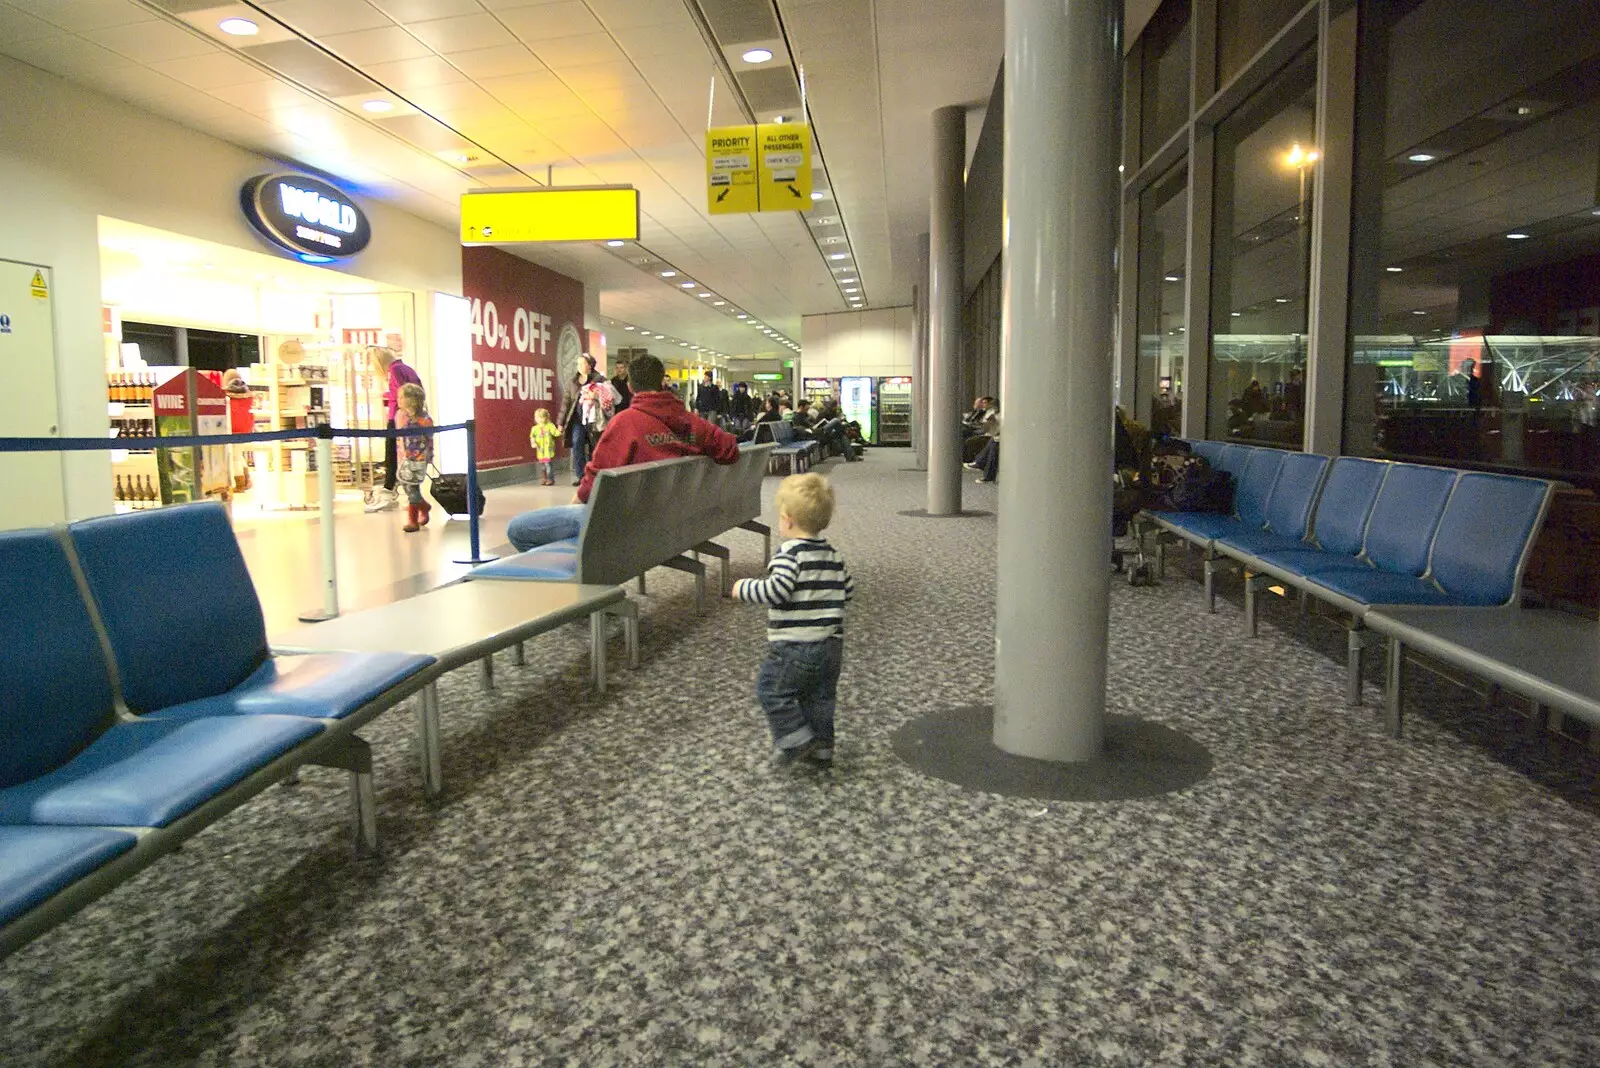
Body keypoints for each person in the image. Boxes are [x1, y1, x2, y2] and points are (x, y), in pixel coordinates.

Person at [505, 355, 741, 551]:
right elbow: (729, 449)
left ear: (629, 386)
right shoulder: (689, 420)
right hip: (674, 515)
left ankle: (584, 570)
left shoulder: (625, 423)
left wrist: (573, 505)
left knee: (519, 528)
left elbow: (594, 479)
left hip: (628, 521)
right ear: (663, 382)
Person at [732, 473, 853, 768]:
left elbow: (778, 590)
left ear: (787, 520)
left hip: (796, 647)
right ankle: (823, 750)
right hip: (831, 646)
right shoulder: (832, 555)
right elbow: (847, 589)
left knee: (771, 691)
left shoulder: (789, 554)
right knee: (820, 699)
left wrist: (743, 588)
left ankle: (797, 740)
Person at [365, 347, 422, 512]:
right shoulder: (406, 368)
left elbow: (401, 394)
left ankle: (389, 490)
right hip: (408, 419)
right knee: (403, 456)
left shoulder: (394, 370)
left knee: (391, 455)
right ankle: (397, 490)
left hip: (397, 419)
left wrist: (387, 396)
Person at [558, 355, 610, 486]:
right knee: (577, 443)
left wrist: (597, 396)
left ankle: (594, 474)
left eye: (582, 364)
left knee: (595, 446)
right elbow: (566, 403)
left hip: (594, 419)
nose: (579, 367)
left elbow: (609, 398)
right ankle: (581, 475)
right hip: (577, 419)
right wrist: (560, 421)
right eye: (578, 364)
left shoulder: (600, 380)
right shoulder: (572, 382)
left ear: (590, 365)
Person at [395, 382, 433, 533]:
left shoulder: (425, 419)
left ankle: (413, 520)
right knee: (405, 484)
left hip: (419, 457)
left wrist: (430, 455)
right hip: (404, 457)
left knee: (412, 487)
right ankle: (423, 506)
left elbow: (429, 439)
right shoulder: (400, 416)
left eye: (401, 397)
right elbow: (399, 437)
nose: (398, 400)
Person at [221, 369, 254, 492]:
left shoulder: (226, 394)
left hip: (232, 428)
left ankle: (239, 484)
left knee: (234, 457)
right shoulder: (247, 392)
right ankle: (247, 480)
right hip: (246, 427)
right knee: (238, 454)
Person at [529, 407, 560, 486]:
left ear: (546, 417)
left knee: (548, 465)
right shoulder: (535, 428)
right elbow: (532, 437)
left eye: (542, 417)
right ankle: (544, 478)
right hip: (540, 451)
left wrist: (559, 430)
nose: (540, 419)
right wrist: (533, 442)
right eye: (538, 417)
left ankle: (550, 479)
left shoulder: (550, 426)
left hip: (548, 450)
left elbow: (555, 433)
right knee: (542, 466)